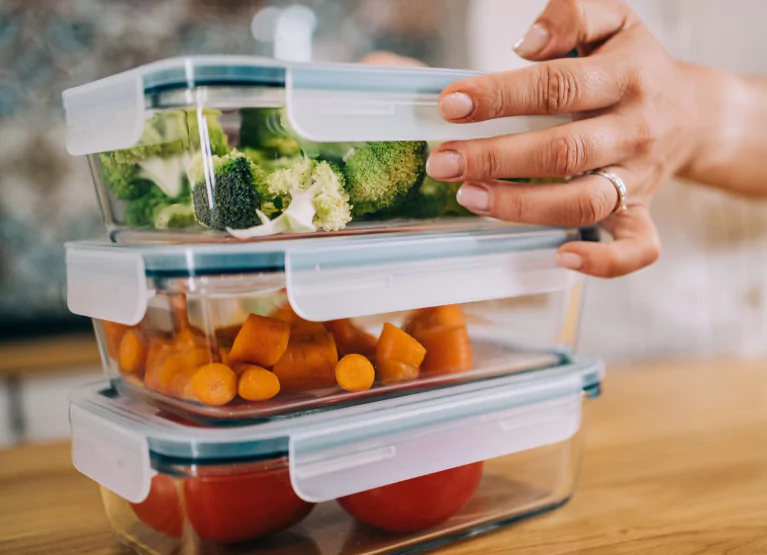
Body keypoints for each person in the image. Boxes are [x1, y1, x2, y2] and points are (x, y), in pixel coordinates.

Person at [363, 0, 767, 279]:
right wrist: (427, 111)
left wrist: (692, 119)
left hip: (739, 351)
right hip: (554, 322)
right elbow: (521, 105)